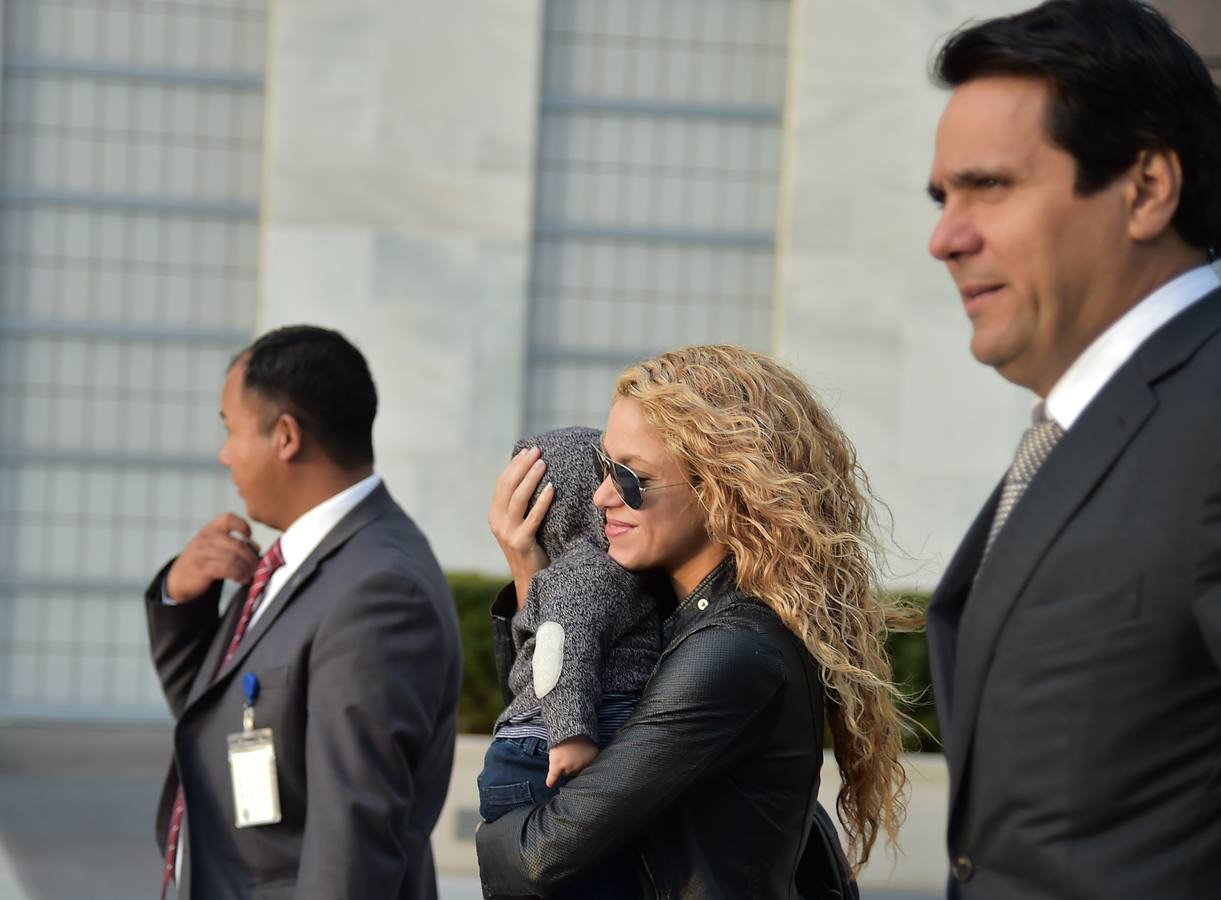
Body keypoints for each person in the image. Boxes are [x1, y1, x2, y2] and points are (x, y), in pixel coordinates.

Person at [924, 1, 1221, 897]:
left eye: (990, 186)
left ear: (1144, 189)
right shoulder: (1082, 428)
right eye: (943, 197)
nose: (945, 237)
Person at [478, 344, 909, 898]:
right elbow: (545, 722)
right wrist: (533, 576)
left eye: (633, 478)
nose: (605, 495)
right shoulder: (674, 615)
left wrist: (489, 835)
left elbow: (542, 853)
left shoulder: (730, 651)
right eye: (603, 467)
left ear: (724, 489)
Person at [144, 325, 461, 900]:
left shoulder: (379, 591)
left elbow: (353, 842)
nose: (224, 454)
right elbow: (217, 721)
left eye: (231, 429)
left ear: (286, 436)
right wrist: (182, 600)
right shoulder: (297, 557)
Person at [476, 426, 660, 898]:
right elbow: (561, 643)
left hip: (527, 750)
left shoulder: (563, 574)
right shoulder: (590, 569)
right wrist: (572, 734)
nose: (612, 494)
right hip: (547, 752)